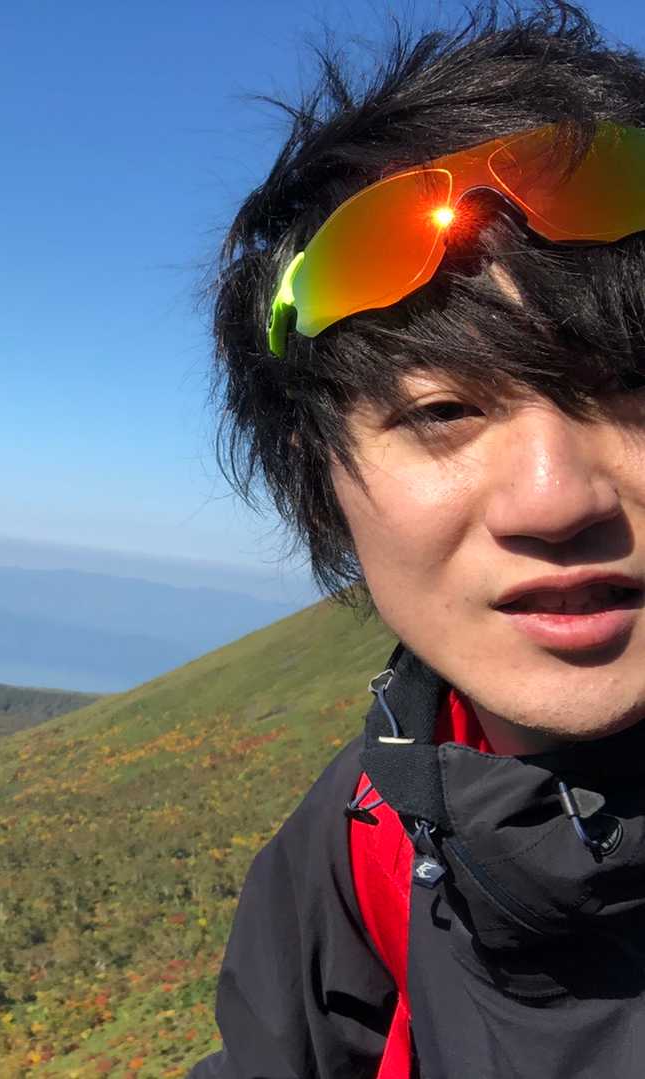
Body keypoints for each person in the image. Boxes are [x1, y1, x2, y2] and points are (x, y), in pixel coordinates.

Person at [191, 3, 645, 1075]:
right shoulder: (365, 836)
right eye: (441, 410)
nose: (551, 498)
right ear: (320, 485)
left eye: (636, 388)